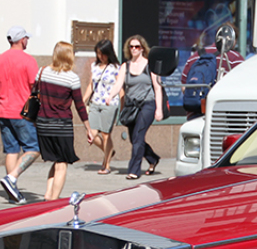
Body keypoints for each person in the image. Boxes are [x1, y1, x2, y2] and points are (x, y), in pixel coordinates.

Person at [35, 41, 96, 201]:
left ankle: (48, 194)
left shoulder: (42, 72)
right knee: (62, 164)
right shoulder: (72, 78)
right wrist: (88, 128)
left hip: (42, 124)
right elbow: (79, 106)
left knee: (56, 160)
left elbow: (34, 95)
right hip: (61, 126)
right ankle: (53, 201)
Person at [0, 26, 40, 204]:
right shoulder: (28, 61)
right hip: (22, 113)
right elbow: (35, 88)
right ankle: (11, 179)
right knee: (33, 149)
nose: (27, 41)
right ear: (21, 40)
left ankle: (12, 190)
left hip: (4, 111)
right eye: (26, 38)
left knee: (11, 150)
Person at [113, 34, 165, 180]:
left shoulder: (150, 65)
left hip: (147, 104)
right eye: (131, 47)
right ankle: (153, 158)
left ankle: (134, 170)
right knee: (135, 138)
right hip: (131, 106)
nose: (134, 49)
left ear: (142, 48)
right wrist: (110, 96)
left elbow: (157, 88)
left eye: (137, 46)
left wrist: (158, 109)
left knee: (138, 137)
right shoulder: (125, 66)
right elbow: (118, 84)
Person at [85, 39, 122, 173]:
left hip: (109, 103)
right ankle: (109, 152)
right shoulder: (94, 66)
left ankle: (106, 165)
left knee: (106, 134)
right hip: (95, 102)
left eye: (103, 53)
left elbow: (120, 87)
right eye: (98, 53)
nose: (100, 56)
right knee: (92, 134)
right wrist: (83, 100)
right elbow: (91, 84)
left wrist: (122, 105)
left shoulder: (116, 68)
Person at [181, 42, 218, 118]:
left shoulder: (194, 57)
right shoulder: (235, 58)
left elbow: (184, 87)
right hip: (219, 115)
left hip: (194, 113)